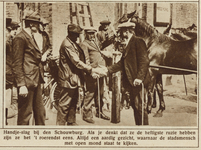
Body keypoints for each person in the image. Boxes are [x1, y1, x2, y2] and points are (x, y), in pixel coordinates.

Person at [101, 22, 151, 125]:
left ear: (127, 31)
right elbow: (122, 63)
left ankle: (144, 130)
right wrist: (107, 70)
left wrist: (139, 78)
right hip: (132, 82)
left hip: (138, 82)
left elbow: (144, 61)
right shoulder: (128, 43)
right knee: (135, 106)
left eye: (122, 31)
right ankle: (139, 127)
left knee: (140, 107)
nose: (120, 33)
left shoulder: (138, 41)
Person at [56, 24, 102, 126]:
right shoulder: (67, 44)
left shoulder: (72, 43)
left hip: (73, 78)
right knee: (64, 104)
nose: (78, 37)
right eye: (76, 35)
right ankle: (60, 126)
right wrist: (90, 69)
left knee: (73, 101)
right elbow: (76, 61)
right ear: (71, 34)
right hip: (68, 78)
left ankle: (71, 122)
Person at [12, 12, 46, 125]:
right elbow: (16, 63)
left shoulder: (30, 37)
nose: (40, 27)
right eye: (38, 24)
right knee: (25, 115)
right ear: (32, 24)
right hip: (27, 81)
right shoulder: (20, 38)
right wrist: (21, 85)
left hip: (35, 79)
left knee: (40, 113)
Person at [79, 27, 111, 124]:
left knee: (100, 92)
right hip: (92, 71)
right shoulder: (84, 44)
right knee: (91, 92)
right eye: (90, 33)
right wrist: (91, 72)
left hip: (100, 70)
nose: (92, 35)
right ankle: (86, 114)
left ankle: (99, 112)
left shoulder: (95, 42)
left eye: (93, 33)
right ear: (85, 34)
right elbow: (86, 59)